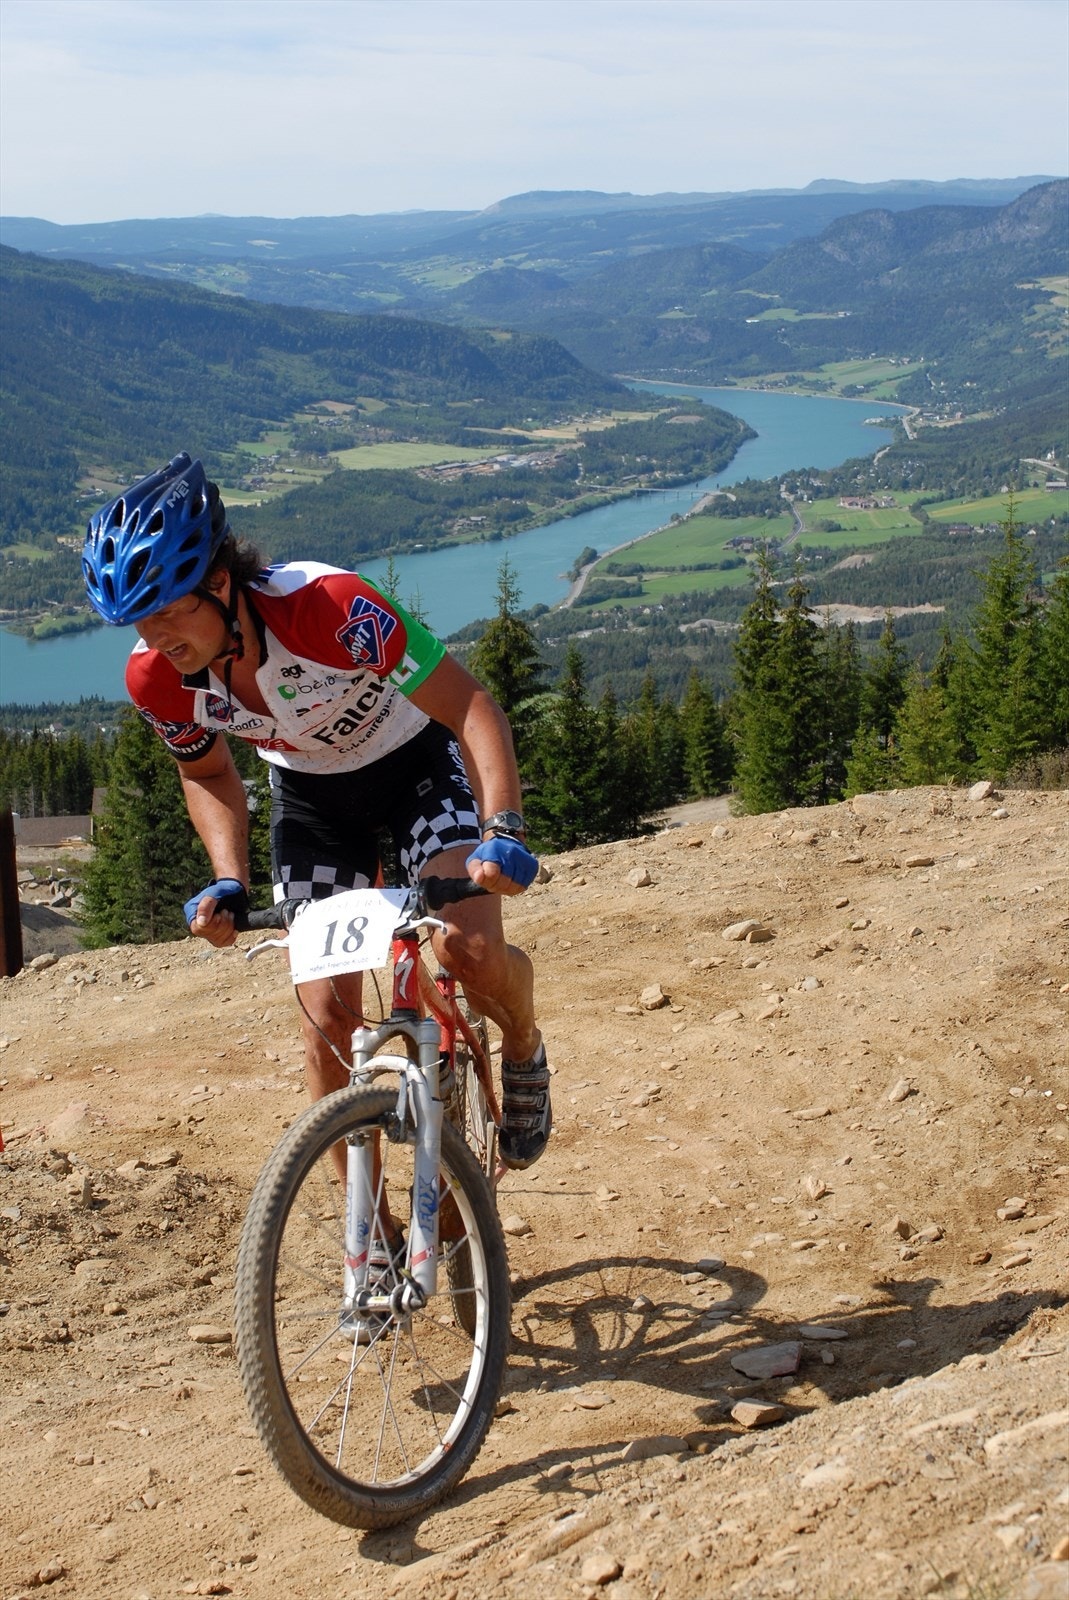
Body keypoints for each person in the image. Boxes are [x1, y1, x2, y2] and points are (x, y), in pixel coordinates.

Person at [82, 452, 551, 1172]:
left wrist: (502, 826)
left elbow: (469, 705)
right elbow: (206, 770)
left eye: (169, 610)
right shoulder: (156, 678)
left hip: (414, 767)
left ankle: (522, 1045)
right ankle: (366, 1224)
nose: (156, 638)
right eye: (140, 622)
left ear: (218, 582)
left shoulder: (330, 608)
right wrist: (229, 878)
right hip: (311, 801)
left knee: (471, 951)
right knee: (327, 1023)